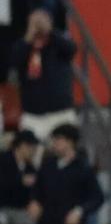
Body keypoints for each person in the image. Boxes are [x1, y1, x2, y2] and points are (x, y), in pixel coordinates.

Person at [28, 123, 103, 224]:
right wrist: (34, 201)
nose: (54, 143)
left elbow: (97, 197)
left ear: (70, 142)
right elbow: (37, 189)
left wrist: (79, 211)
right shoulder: (47, 165)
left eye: (58, 139)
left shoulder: (83, 168)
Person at [10, 8, 77, 141]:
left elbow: (71, 49)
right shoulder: (23, 45)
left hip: (60, 112)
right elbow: (14, 61)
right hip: (33, 114)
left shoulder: (58, 42)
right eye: (35, 21)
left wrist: (49, 31)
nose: (38, 25)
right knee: (33, 156)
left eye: (42, 20)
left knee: (65, 152)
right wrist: (30, 34)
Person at [0, 129, 38, 224]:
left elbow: (36, 191)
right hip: (2, 208)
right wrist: (20, 181)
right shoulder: (3, 160)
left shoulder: (30, 167)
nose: (33, 150)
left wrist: (33, 202)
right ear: (21, 145)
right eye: (30, 146)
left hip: (18, 211)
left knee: (35, 223)